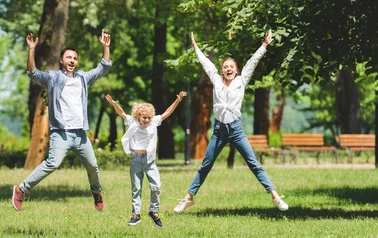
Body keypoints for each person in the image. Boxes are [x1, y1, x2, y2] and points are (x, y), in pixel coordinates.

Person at [173, 30, 288, 213]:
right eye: (225, 66)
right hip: (219, 130)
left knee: (253, 163)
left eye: (231, 67)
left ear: (236, 70)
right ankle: (188, 198)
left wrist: (265, 45)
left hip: (235, 129)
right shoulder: (216, 81)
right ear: (222, 70)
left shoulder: (241, 81)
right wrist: (195, 48)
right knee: (206, 165)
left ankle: (275, 196)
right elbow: (206, 64)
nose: (228, 69)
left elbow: (252, 62)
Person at [11, 30, 112, 212]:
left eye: (74, 58)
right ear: (61, 60)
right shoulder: (53, 78)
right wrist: (31, 50)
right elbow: (32, 72)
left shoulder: (82, 78)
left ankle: (96, 192)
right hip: (61, 133)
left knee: (93, 165)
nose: (72, 60)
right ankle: (21, 189)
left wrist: (106, 47)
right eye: (68, 57)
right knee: (53, 163)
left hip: (80, 134)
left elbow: (103, 67)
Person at [105, 91, 187, 228]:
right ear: (138, 116)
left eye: (149, 117)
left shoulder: (154, 122)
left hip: (149, 161)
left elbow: (167, 113)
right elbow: (122, 113)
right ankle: (135, 215)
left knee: (156, 186)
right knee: (136, 188)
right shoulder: (132, 120)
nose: (147, 120)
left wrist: (177, 101)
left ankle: (154, 212)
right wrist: (113, 104)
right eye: (144, 118)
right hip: (136, 159)